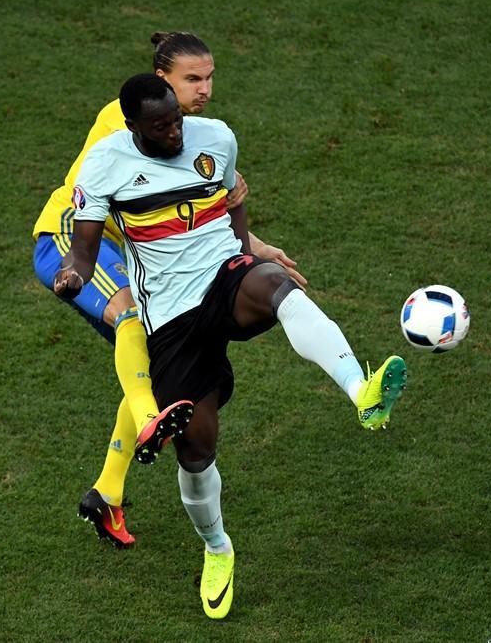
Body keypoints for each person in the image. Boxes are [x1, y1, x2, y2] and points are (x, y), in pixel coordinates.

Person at [54, 74, 408, 620]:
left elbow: (232, 201)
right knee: (196, 451)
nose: (176, 132)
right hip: (170, 317)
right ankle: (217, 548)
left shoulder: (215, 137)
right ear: (132, 126)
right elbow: (84, 249)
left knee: (274, 285)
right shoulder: (106, 163)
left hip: (224, 276)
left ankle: (361, 391)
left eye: (177, 119)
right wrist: (73, 276)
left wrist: (245, 250)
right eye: (161, 126)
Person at [32, 32, 306, 549]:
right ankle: (144, 422)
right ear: (162, 80)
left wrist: (255, 247)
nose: (204, 91)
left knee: (156, 357)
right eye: (191, 80)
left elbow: (193, 210)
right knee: (132, 318)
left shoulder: (182, 130)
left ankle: (106, 491)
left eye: (209, 78)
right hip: (75, 240)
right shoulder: (130, 122)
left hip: (131, 252)